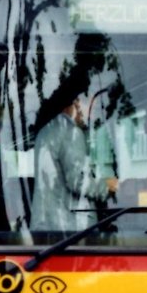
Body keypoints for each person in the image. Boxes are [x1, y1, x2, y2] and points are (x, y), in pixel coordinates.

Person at [29, 77, 118, 230]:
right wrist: (109, 185)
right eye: (90, 105)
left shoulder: (47, 131)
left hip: (45, 228)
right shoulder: (71, 133)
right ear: (76, 102)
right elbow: (78, 181)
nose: (92, 112)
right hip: (68, 233)